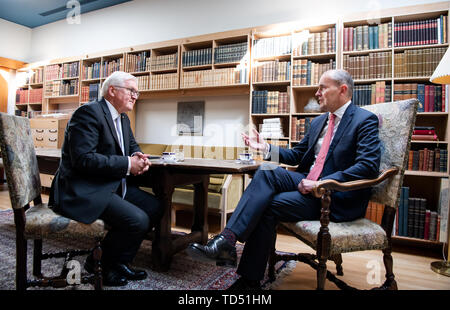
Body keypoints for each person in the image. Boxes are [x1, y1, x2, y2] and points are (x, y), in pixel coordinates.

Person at [186, 69, 381, 289]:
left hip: (334, 197)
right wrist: (266, 148)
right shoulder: (318, 123)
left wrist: (321, 184)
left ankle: (248, 279)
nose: (317, 93)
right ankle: (228, 241)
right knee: (267, 170)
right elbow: (297, 155)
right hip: (307, 183)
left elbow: (367, 166)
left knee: (267, 207)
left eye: (322, 88)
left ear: (343, 90)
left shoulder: (365, 120)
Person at [49, 71, 163, 286]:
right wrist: (129, 164)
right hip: (82, 189)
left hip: (108, 185)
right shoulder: (88, 113)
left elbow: (132, 147)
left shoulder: (123, 118)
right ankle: (97, 263)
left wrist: (139, 157)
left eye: (137, 92)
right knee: (136, 220)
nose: (135, 96)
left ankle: (120, 261)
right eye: (131, 90)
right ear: (112, 90)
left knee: (156, 207)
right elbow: (84, 159)